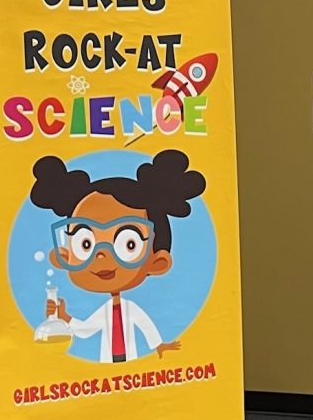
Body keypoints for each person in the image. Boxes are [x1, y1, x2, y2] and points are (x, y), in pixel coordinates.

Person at [32, 150, 202, 362]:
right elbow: (86, 329)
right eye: (85, 243)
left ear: (158, 262)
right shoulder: (104, 311)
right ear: (64, 256)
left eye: (128, 244)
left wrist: (159, 345)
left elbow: (146, 325)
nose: (102, 255)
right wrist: (64, 318)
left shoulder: (131, 309)